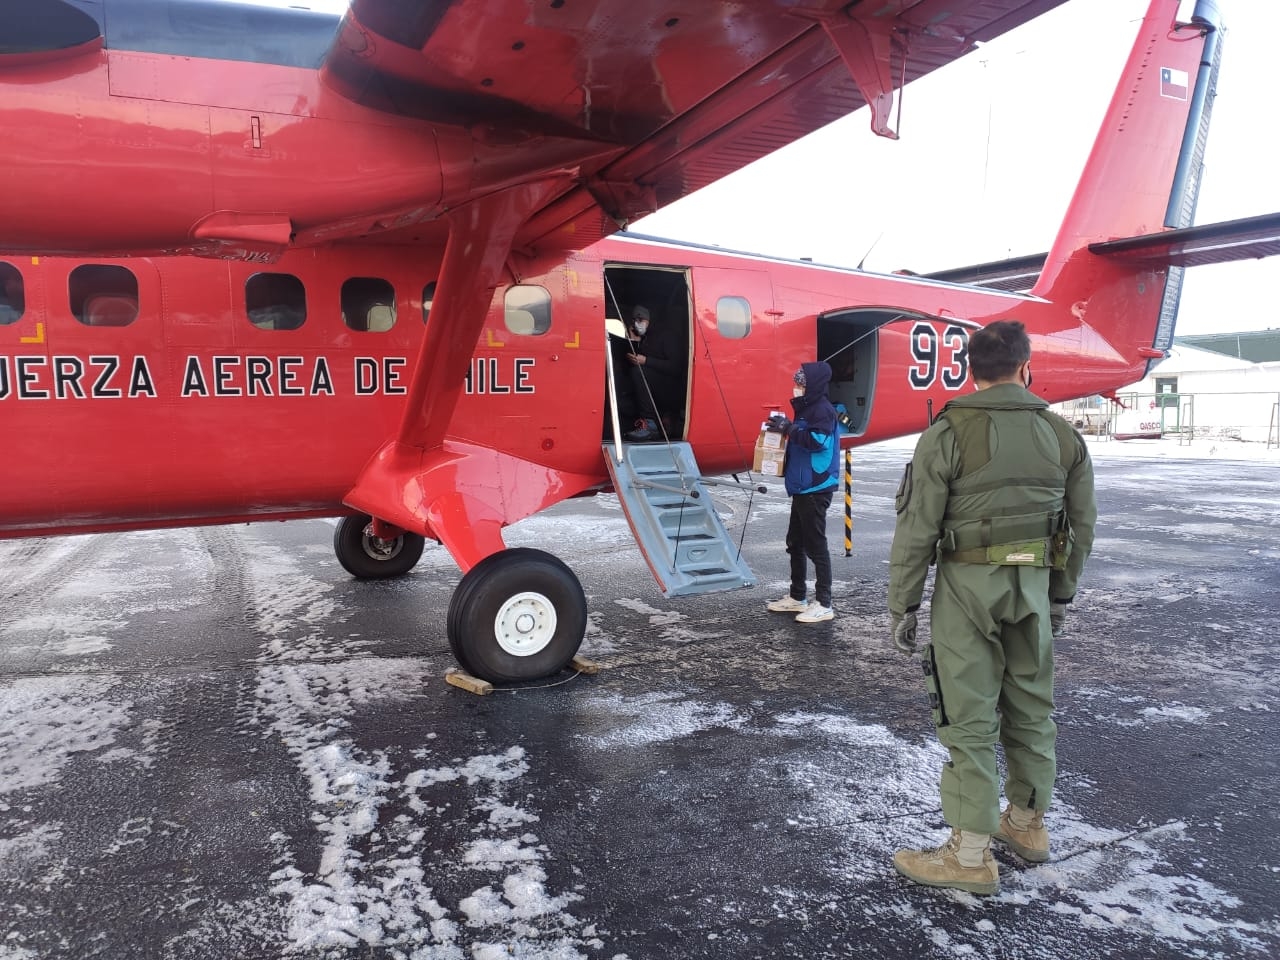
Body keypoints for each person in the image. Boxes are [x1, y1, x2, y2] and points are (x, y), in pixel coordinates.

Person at [887, 319, 1096, 895]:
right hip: (1034, 586)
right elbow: (1082, 526)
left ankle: (970, 855)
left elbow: (917, 527)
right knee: (1031, 705)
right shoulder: (1063, 435)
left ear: (968, 371)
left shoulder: (947, 432)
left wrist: (903, 603)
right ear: (1026, 367)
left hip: (967, 589)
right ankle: (1027, 824)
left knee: (968, 714)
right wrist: (1061, 595)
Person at [764, 361, 840, 624]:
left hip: (816, 488)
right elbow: (801, 440)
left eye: (800, 382)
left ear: (812, 385)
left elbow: (818, 442)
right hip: (802, 486)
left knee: (816, 546)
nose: (796, 387)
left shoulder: (822, 411)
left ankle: (824, 603)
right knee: (795, 542)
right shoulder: (807, 408)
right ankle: (798, 596)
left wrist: (790, 429)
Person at [622, 304, 684, 441]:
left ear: (649, 320)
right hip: (657, 386)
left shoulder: (667, 336)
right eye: (634, 321)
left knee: (639, 373)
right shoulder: (646, 338)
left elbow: (676, 367)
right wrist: (634, 341)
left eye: (640, 320)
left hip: (671, 389)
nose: (636, 324)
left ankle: (650, 424)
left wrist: (646, 361)